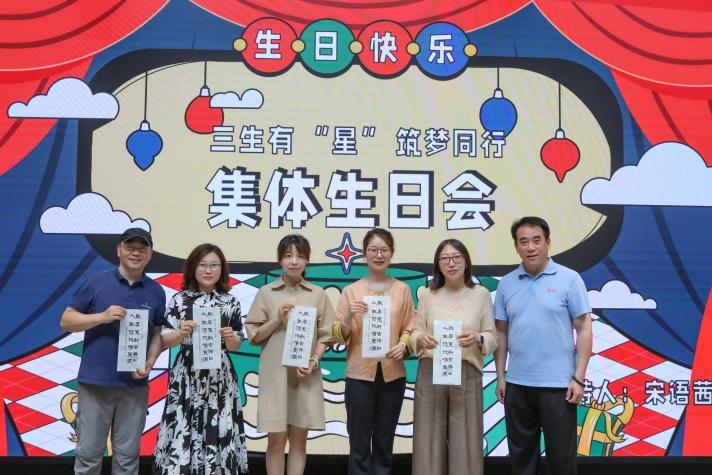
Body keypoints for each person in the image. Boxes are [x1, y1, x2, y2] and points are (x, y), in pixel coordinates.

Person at [60, 228, 166, 475]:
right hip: (95, 384)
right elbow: (66, 321)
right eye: (130, 247)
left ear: (150, 254)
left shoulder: (156, 291)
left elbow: (156, 335)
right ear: (119, 250)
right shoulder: (96, 282)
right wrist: (102, 316)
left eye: (142, 248)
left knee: (128, 458)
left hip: (134, 387)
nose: (136, 253)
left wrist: (150, 361)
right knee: (88, 455)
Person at [493, 217, 592, 475]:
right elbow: (501, 332)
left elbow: (584, 328)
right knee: (521, 459)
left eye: (537, 240)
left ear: (548, 242)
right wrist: (501, 377)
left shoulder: (569, 279)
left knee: (562, 459)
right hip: (517, 385)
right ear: (516, 247)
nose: (531, 247)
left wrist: (579, 378)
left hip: (559, 386)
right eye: (523, 242)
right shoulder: (507, 283)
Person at [153, 243, 248, 474]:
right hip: (187, 375)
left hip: (220, 376)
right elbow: (165, 340)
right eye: (202, 265)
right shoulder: (179, 300)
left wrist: (230, 336)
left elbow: (236, 344)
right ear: (193, 268)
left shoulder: (230, 301)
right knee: (183, 422)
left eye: (214, 265)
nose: (208, 270)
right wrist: (180, 333)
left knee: (220, 424)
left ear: (221, 269)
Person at [245, 235, 335, 475]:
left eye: (300, 256)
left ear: (307, 261)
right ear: (279, 260)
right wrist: (277, 319)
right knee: (275, 441)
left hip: (305, 376)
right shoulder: (266, 293)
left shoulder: (318, 294)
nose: (294, 261)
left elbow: (327, 334)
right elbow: (254, 335)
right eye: (288, 256)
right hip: (275, 377)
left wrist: (314, 360)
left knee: (299, 440)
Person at [410, 239, 497, 475]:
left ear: (466, 262)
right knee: (427, 439)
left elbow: (492, 336)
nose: (451, 263)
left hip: (467, 372)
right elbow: (415, 333)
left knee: (466, 441)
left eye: (457, 257)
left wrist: (478, 338)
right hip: (431, 371)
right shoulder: (428, 295)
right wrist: (421, 339)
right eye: (445, 258)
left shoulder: (481, 295)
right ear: (438, 264)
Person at [333, 228, 415, 475]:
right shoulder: (351, 291)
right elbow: (337, 336)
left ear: (391, 253)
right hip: (359, 375)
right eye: (373, 250)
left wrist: (404, 344)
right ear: (364, 253)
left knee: (384, 438)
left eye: (384, 250)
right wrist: (349, 316)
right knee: (358, 439)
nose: (379, 255)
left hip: (393, 375)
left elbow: (411, 327)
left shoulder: (402, 289)